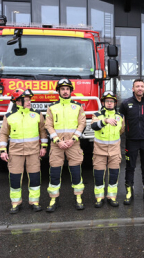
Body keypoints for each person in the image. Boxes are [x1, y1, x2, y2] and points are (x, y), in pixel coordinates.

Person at [0, 88, 48, 213]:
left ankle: (34, 202)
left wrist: (44, 147)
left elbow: (43, 132)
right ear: (18, 101)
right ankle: (16, 203)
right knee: (15, 178)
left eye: (29, 99)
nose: (29, 102)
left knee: (35, 177)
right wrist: (3, 150)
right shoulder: (9, 116)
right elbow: (4, 134)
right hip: (15, 153)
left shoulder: (37, 114)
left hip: (33, 152)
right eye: (26, 100)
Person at [45, 78, 86, 212]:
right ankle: (53, 199)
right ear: (58, 91)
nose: (65, 91)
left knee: (76, 172)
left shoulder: (78, 107)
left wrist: (73, 139)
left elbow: (82, 124)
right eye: (62, 89)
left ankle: (78, 198)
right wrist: (57, 141)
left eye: (67, 89)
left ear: (70, 91)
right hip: (57, 145)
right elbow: (48, 126)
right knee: (55, 172)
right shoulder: (51, 107)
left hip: (73, 144)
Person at [119, 79, 144, 205]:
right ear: (133, 88)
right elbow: (121, 121)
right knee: (130, 167)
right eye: (137, 86)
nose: (140, 88)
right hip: (131, 141)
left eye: (142, 86)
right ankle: (129, 192)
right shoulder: (126, 104)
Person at [91, 91, 125, 208]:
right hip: (100, 151)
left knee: (114, 175)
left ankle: (112, 197)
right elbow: (94, 126)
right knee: (99, 175)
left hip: (115, 151)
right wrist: (104, 121)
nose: (109, 103)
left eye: (111, 101)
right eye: (107, 101)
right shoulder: (97, 115)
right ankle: (99, 198)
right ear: (103, 102)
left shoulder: (120, 116)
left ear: (115, 103)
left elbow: (121, 131)